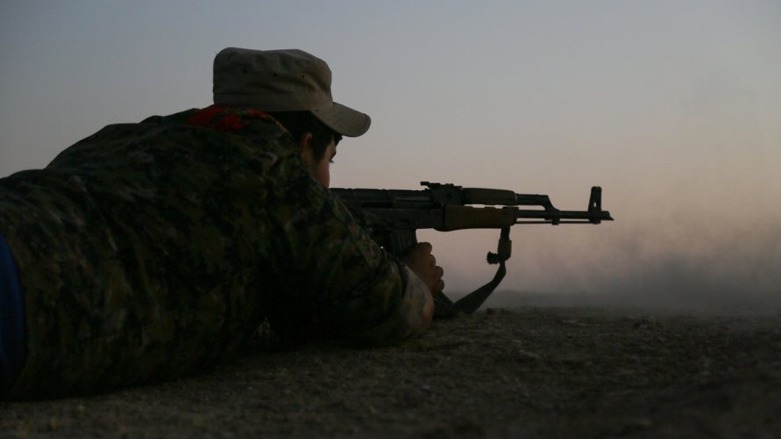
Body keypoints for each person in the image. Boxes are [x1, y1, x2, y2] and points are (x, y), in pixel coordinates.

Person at [0, 47, 444, 399]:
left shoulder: (119, 139)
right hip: (20, 304)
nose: (327, 177)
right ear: (306, 144)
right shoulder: (273, 170)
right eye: (330, 158)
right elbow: (391, 308)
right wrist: (417, 279)